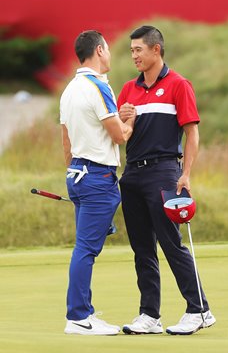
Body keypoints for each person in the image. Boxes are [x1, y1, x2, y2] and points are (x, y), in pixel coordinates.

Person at [117, 25, 216, 335]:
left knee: (171, 243)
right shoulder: (128, 90)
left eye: (138, 50)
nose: (134, 55)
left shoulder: (178, 84)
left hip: (163, 172)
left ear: (155, 50)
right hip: (132, 173)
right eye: (131, 50)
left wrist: (186, 173)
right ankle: (149, 315)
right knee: (142, 248)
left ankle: (199, 310)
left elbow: (192, 133)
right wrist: (123, 120)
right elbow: (120, 137)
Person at [60, 30, 136, 335]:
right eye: (108, 49)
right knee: (86, 249)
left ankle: (85, 312)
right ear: (100, 50)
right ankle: (78, 316)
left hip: (77, 174)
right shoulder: (98, 86)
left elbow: (66, 141)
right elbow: (118, 136)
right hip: (97, 177)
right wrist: (130, 120)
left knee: (84, 247)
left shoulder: (69, 89)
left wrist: (73, 175)